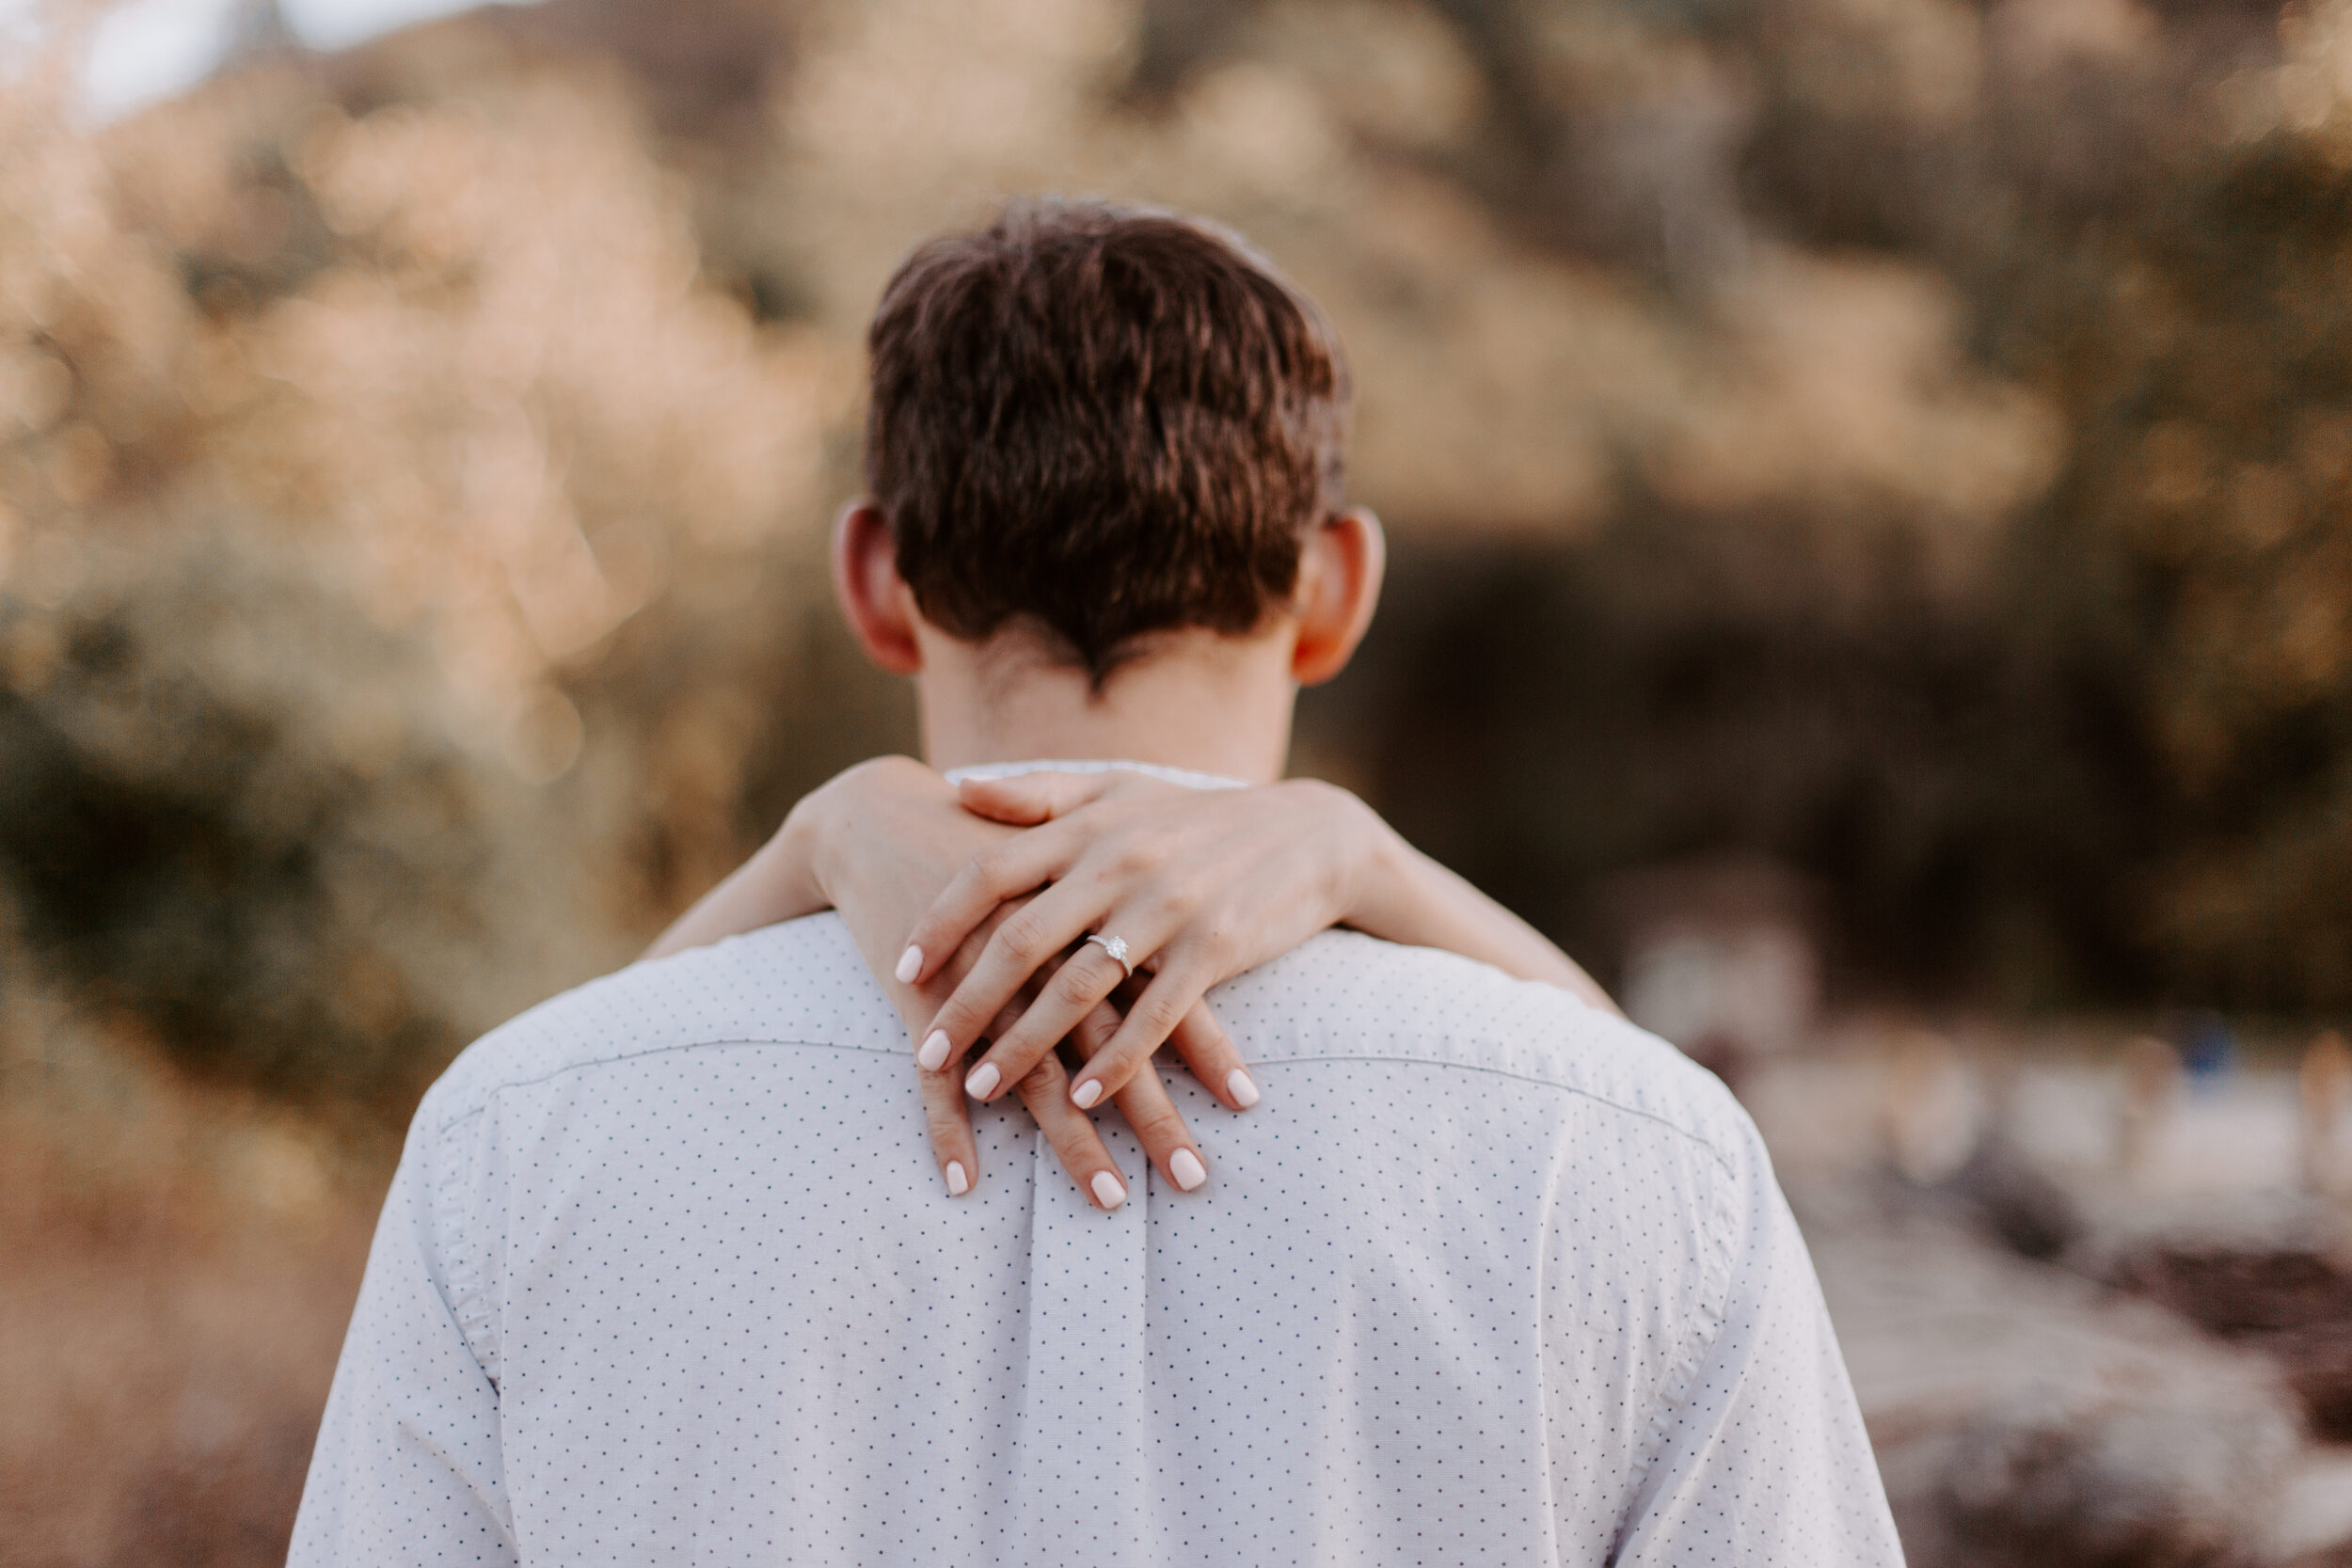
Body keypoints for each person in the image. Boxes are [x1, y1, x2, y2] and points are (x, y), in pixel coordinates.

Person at [290, 198, 1901, 1564]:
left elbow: (572, 1105)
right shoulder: (1639, 1157)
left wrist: (801, 843)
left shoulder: (516, 1136)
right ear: (1336, 590)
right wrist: (1376, 862)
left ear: (872, 577)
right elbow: (1643, 1123)